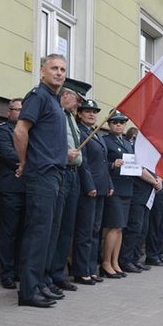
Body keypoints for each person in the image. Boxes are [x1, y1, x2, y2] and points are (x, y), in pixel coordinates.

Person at [14, 54, 68, 307]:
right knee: (37, 233)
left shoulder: (55, 101)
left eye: (62, 69)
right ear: (41, 71)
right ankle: (28, 290)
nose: (59, 73)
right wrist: (24, 162)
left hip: (56, 173)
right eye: (54, 68)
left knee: (49, 232)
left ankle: (41, 282)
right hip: (41, 172)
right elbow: (20, 130)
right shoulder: (37, 96)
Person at [45, 77, 91, 295]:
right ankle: (47, 275)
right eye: (77, 99)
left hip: (73, 175)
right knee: (55, 227)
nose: (79, 105)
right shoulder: (55, 116)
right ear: (65, 95)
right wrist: (64, 156)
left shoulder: (71, 119)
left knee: (66, 229)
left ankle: (57, 273)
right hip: (60, 172)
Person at [72, 99, 113, 284]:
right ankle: (81, 271)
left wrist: (110, 184)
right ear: (79, 114)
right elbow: (84, 163)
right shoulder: (80, 132)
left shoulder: (96, 134)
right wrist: (89, 186)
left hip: (102, 187)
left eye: (94, 111)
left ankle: (91, 268)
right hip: (89, 189)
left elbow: (103, 163)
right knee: (85, 231)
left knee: (95, 230)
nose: (91, 114)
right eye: (87, 111)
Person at [0, 97, 25, 290]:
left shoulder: (31, 131)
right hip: (10, 188)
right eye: (17, 110)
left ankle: (19, 270)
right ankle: (7, 273)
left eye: (24, 110)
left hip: (28, 188)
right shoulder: (2, 130)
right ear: (9, 112)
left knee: (24, 233)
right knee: (9, 233)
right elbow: (8, 154)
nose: (21, 113)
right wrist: (29, 161)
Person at [101, 111, 135, 278]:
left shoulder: (128, 144)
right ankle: (106, 262)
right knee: (113, 226)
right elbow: (101, 163)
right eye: (115, 122)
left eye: (121, 122)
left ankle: (115, 261)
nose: (118, 125)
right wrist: (112, 164)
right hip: (114, 187)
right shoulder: (105, 141)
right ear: (109, 124)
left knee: (120, 228)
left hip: (127, 187)